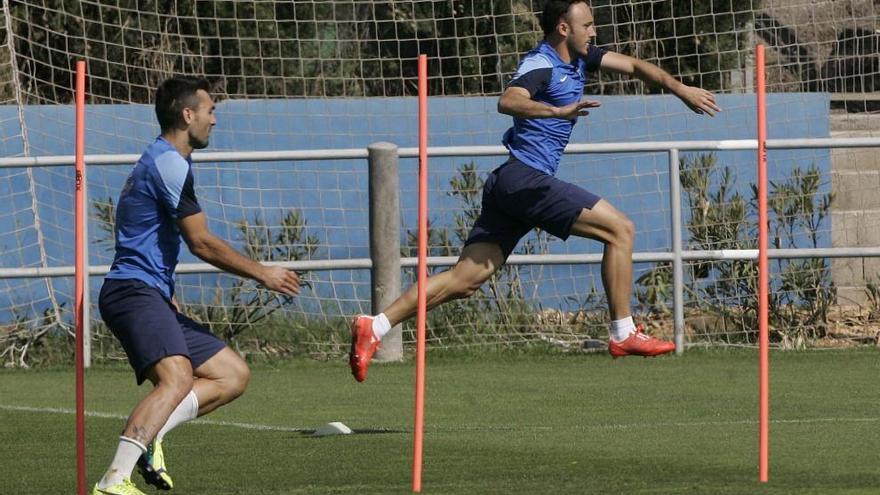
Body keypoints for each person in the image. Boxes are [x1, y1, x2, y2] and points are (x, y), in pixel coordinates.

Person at [349, 0, 721, 382]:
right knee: (620, 229)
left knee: (465, 280)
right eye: (588, 25)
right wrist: (556, 112)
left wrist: (680, 89)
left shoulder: (583, 57)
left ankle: (374, 325)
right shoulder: (540, 64)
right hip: (525, 179)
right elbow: (508, 100)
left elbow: (637, 66)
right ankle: (623, 332)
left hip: (511, 183)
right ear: (564, 28)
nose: (594, 32)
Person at [92, 76, 301, 494]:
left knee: (232, 375)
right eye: (210, 110)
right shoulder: (168, 163)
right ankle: (112, 481)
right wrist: (263, 273)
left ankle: (150, 437)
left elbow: (138, 227)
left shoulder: (163, 161)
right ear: (187, 115)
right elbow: (201, 241)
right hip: (132, 292)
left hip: (147, 291)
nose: (215, 120)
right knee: (176, 378)